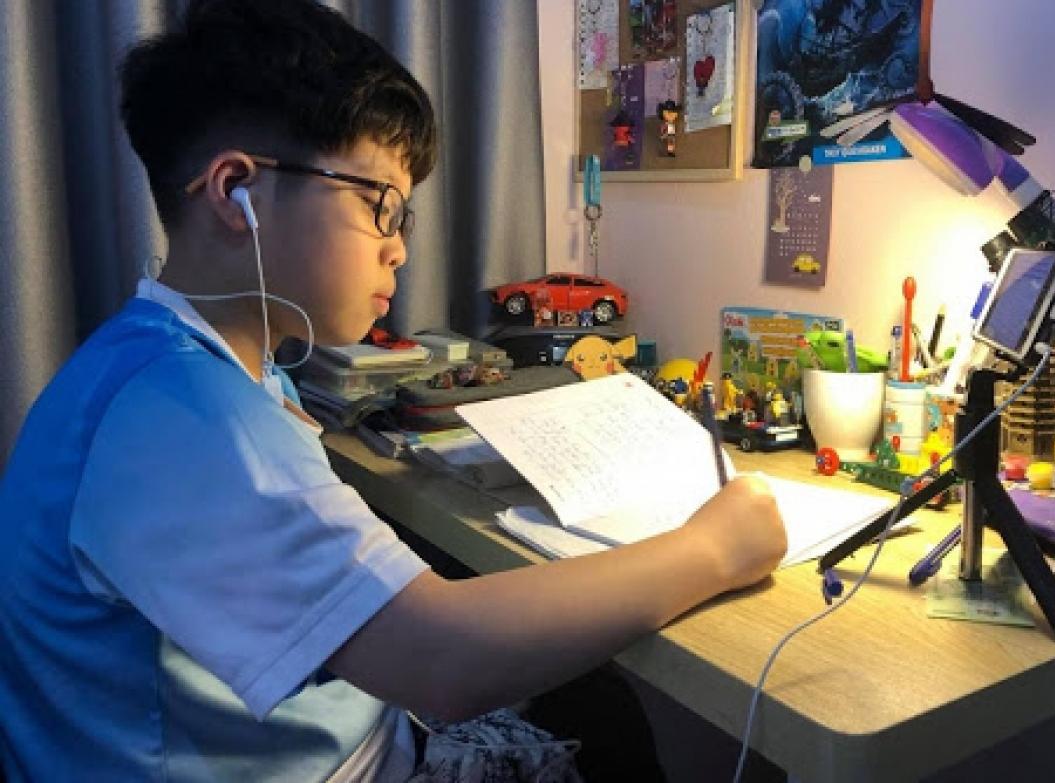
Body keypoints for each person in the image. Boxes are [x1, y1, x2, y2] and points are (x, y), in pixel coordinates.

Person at [0, 1, 788, 780]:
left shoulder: (188, 360)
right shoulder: (178, 415)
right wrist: (716, 546)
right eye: (380, 204)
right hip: (345, 759)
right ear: (237, 190)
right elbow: (441, 661)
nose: (399, 248)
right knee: (607, 722)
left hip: (348, 730)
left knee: (598, 701)